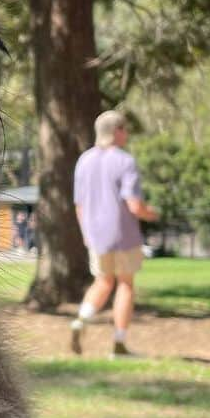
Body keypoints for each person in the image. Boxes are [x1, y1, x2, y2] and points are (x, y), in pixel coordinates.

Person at [69, 110, 158, 358]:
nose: (126, 134)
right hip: (123, 234)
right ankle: (119, 344)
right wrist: (152, 214)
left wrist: (86, 233)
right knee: (125, 284)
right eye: (125, 129)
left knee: (103, 280)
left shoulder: (84, 161)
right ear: (117, 131)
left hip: (95, 235)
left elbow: (79, 205)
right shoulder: (124, 161)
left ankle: (80, 320)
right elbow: (134, 205)